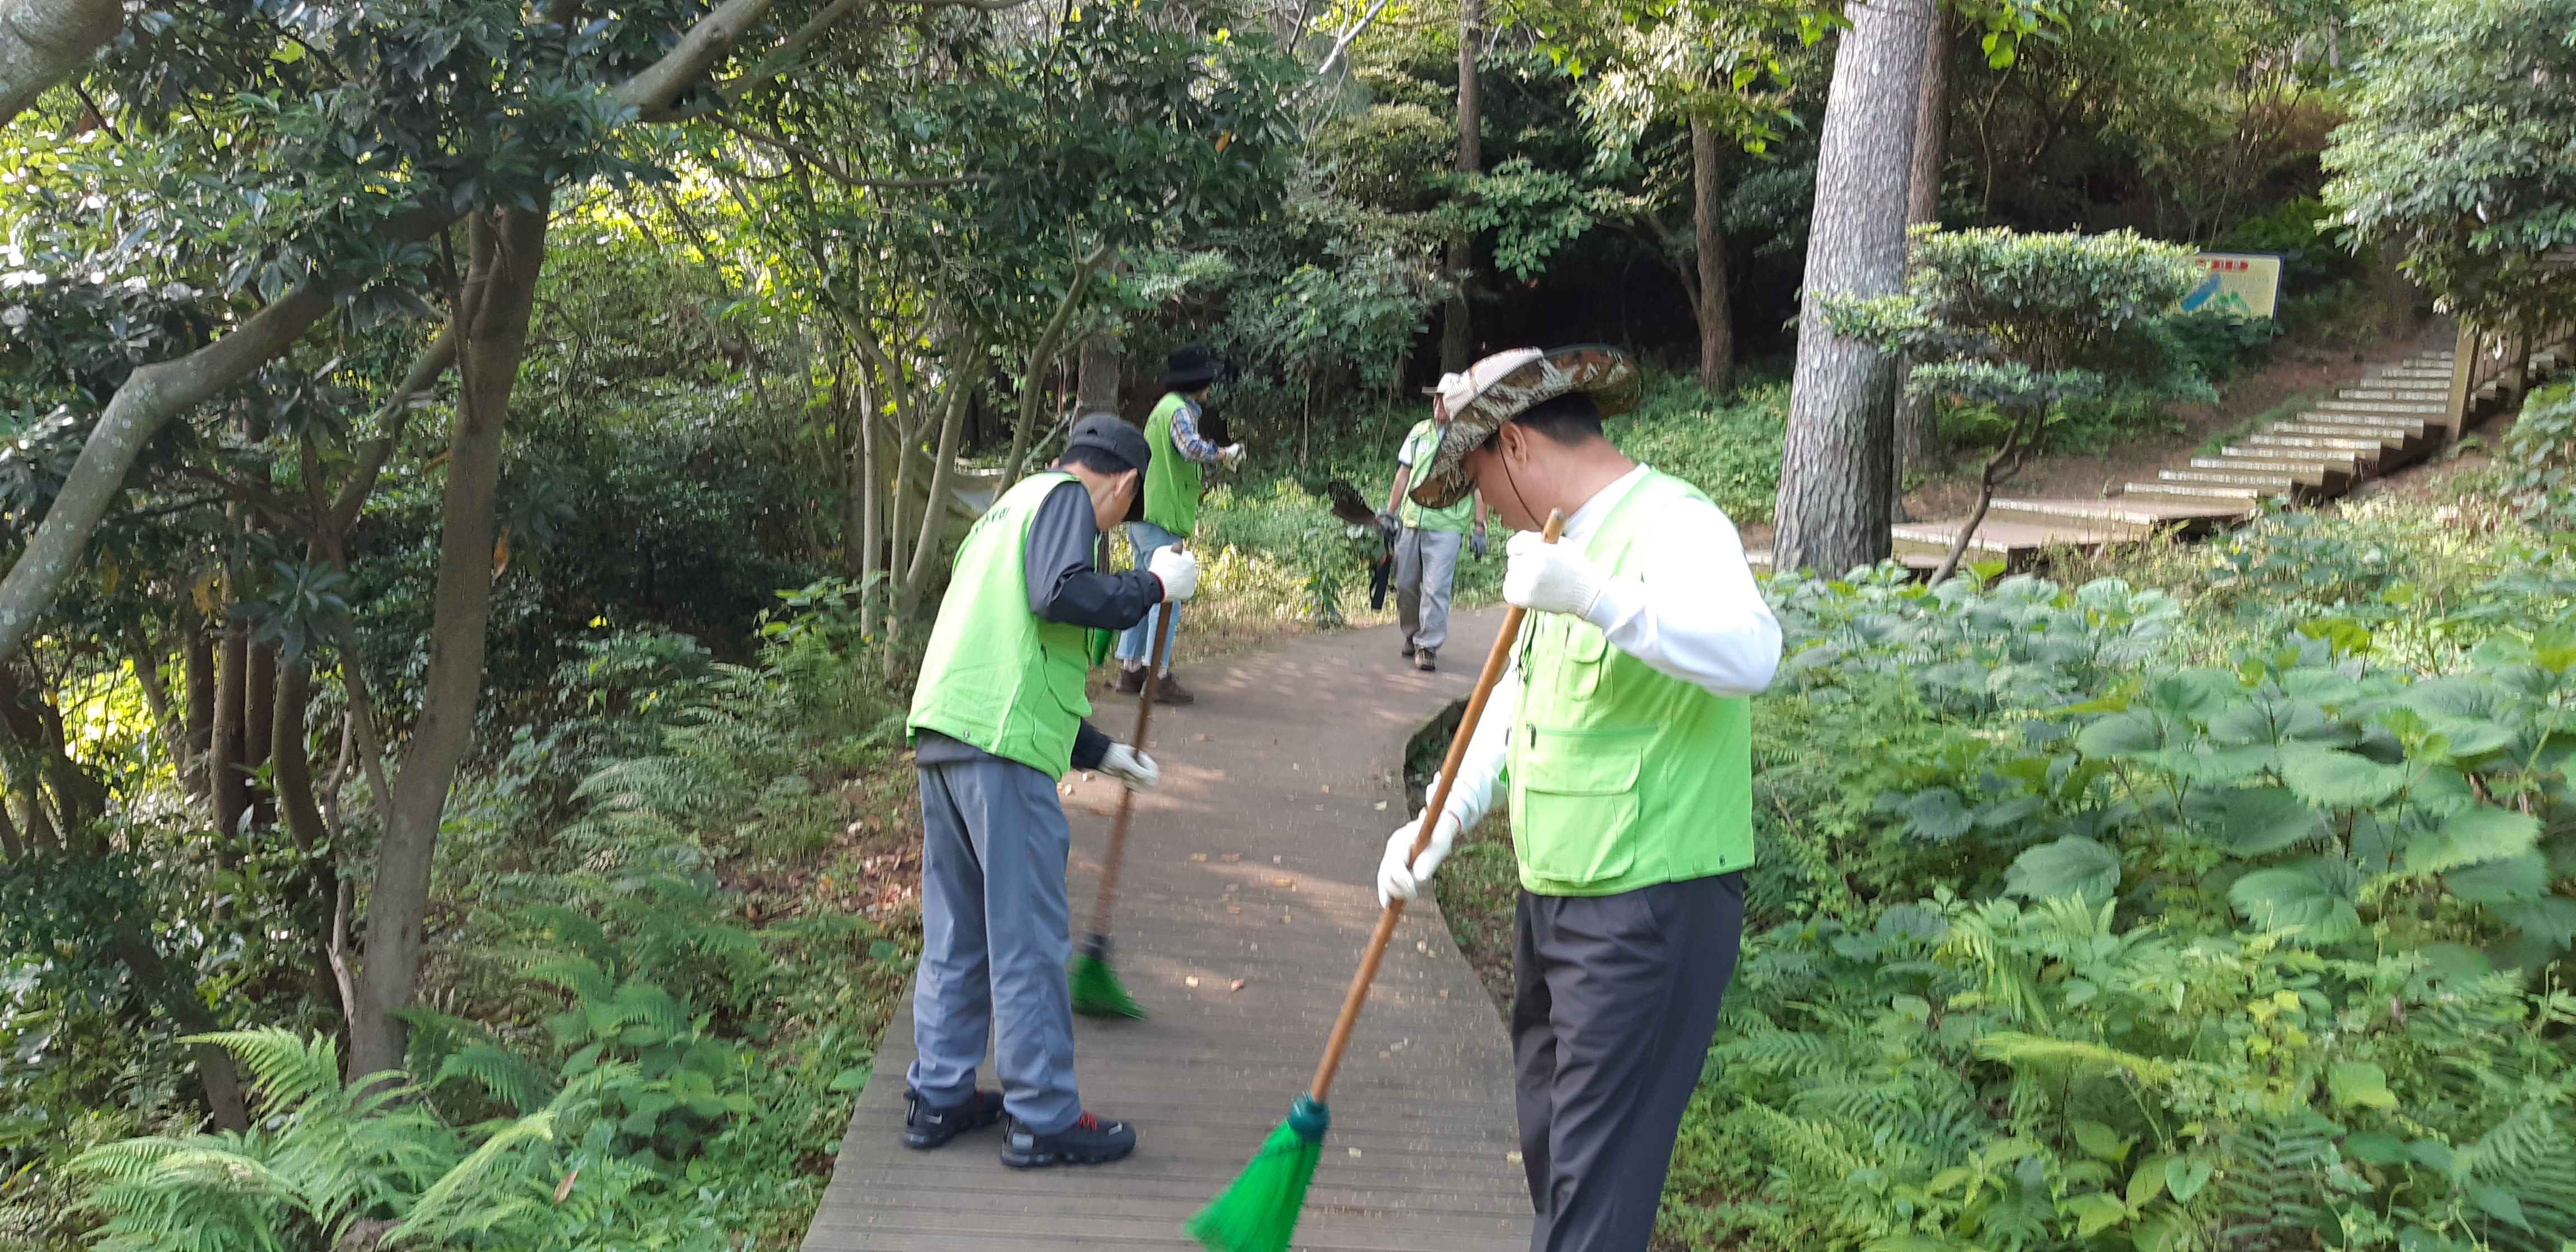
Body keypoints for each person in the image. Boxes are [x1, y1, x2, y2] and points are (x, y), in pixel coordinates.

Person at [1373, 346, 1781, 1251]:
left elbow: (1751, 655)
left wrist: (1601, 599)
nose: (1481, 510)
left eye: (1477, 483)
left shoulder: (1670, 523)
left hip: (1649, 903)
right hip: (1553, 895)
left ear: (1514, 446)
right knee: (1557, 1160)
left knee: (1594, 1190)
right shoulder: (1559, 546)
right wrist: (1436, 816)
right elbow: (1514, 697)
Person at [902, 413, 1201, 1169]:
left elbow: (1013, 654)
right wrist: (1151, 584)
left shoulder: (1003, 513)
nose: (1108, 528)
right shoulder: (1065, 502)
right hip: (1001, 756)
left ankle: (937, 1097)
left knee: (958, 931)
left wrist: (1102, 753)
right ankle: (1041, 1116)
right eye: (1120, 514)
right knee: (1027, 938)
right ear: (1125, 484)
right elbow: (1060, 595)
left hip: (947, 737)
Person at [1115, 343, 1243, 705]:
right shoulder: (1180, 410)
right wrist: (1224, 453)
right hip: (1164, 517)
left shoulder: (1161, 410)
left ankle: (1130, 669)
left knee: (1143, 591)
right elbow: (1191, 448)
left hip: (1143, 514)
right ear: (1199, 383)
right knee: (1166, 596)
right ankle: (1158, 675)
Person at [1382, 377, 1489, 672]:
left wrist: (1480, 527)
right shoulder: (1419, 433)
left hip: (1447, 525)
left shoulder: (1470, 438)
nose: (1439, 404)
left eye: (1446, 399)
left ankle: (1428, 646)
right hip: (1411, 520)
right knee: (1405, 585)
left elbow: (1479, 485)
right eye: (1436, 398)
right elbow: (1403, 474)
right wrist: (1390, 513)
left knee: (1436, 588)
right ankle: (1412, 635)